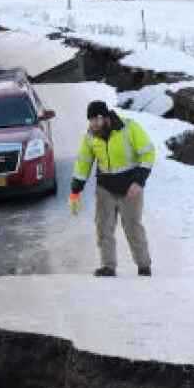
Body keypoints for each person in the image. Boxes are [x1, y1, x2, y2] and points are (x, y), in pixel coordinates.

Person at [68, 100, 156, 277]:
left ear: (106, 117)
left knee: (132, 226)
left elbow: (148, 152)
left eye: (97, 119)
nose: (94, 124)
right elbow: (83, 162)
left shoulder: (129, 128)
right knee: (103, 227)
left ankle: (144, 266)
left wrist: (138, 182)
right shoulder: (91, 137)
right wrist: (75, 189)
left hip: (130, 187)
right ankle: (108, 266)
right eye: (91, 121)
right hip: (105, 187)